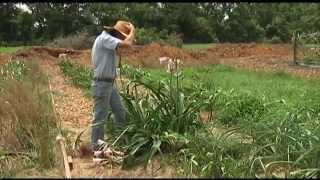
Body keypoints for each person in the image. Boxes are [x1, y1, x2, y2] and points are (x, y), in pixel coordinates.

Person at [91, 20, 135, 152]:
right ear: (116, 33)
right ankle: (96, 147)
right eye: (122, 36)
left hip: (109, 83)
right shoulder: (105, 38)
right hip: (102, 83)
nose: (122, 40)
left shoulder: (108, 41)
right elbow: (128, 43)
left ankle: (120, 141)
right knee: (100, 117)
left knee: (120, 112)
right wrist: (133, 30)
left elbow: (127, 45)